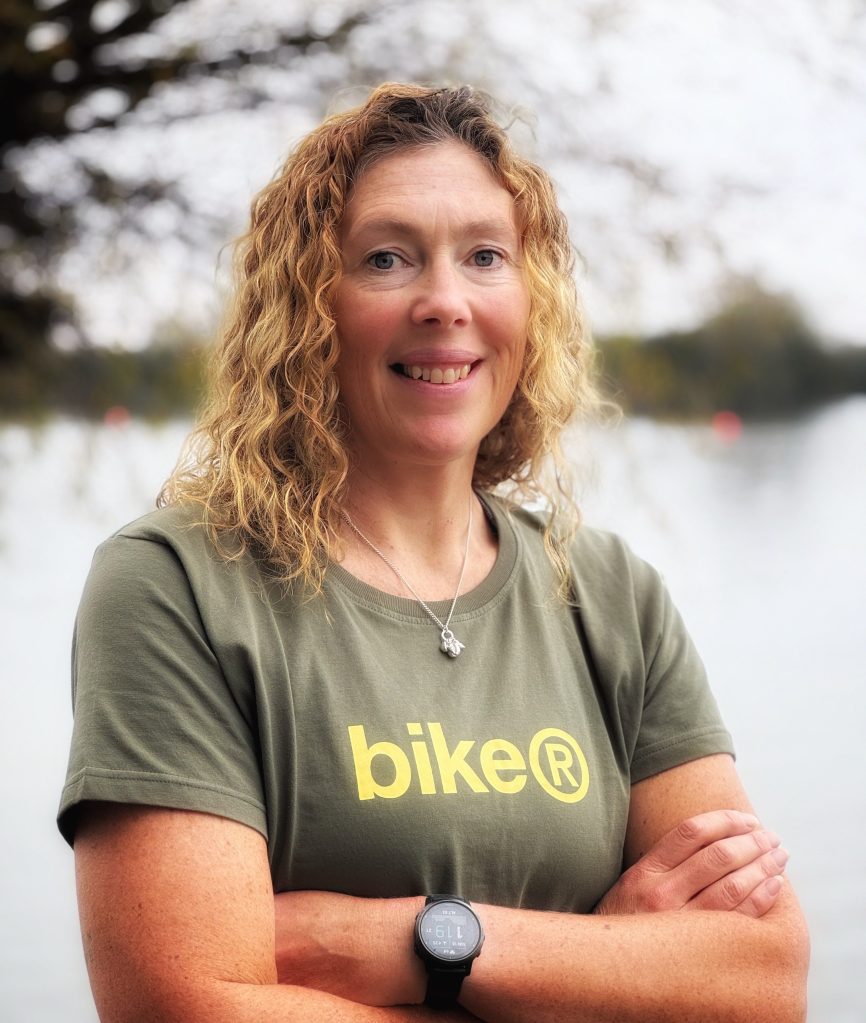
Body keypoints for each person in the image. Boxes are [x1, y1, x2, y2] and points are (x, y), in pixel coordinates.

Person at [58, 83, 809, 1022]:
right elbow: (183, 1007)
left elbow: (764, 981)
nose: (445, 302)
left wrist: (428, 941)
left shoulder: (611, 593)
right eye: (387, 258)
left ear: (528, 302)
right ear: (304, 307)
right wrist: (616, 960)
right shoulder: (176, 586)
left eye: (486, 256)